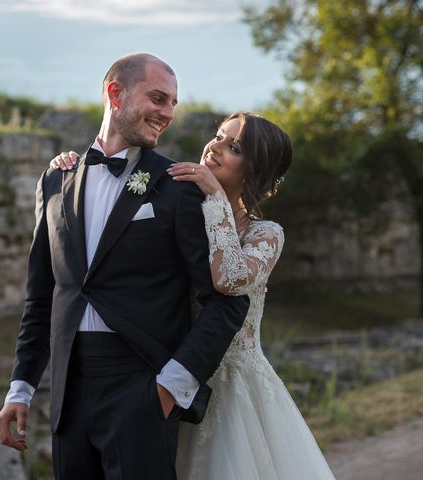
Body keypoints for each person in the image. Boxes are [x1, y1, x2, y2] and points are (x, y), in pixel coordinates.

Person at [0, 53, 249, 480]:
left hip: (143, 387)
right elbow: (42, 296)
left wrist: (171, 388)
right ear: (116, 93)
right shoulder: (55, 180)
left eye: (172, 103)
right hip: (67, 392)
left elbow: (226, 303)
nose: (167, 113)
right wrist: (20, 388)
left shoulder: (178, 186)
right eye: (158, 98)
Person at [51, 112, 337, 479]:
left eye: (233, 146)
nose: (214, 147)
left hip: (234, 389)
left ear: (256, 169)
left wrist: (217, 198)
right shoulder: (181, 207)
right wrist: (70, 169)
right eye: (218, 135)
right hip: (166, 379)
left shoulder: (267, 234)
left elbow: (229, 280)